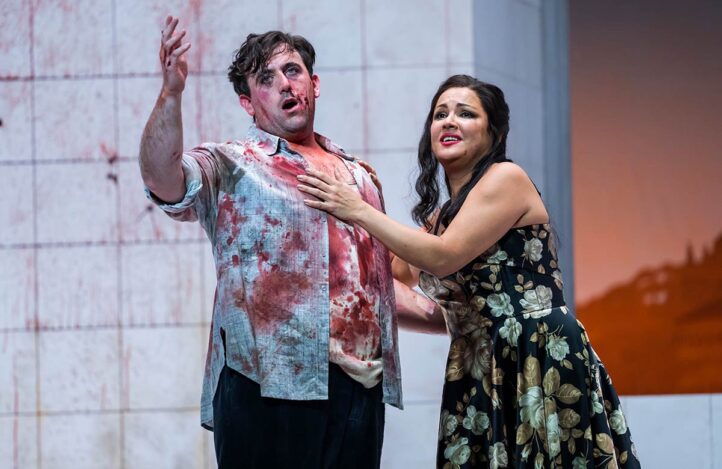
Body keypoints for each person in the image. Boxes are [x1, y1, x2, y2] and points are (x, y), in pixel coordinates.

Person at [139, 15, 439, 469]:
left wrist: (458, 321)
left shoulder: (359, 177)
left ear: (314, 84)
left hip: (358, 389)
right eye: (266, 78)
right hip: (264, 384)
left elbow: (371, 290)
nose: (284, 83)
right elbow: (161, 179)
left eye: (292, 70)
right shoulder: (231, 164)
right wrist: (171, 93)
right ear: (248, 102)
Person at [297, 74, 640, 468]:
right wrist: (360, 204)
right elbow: (390, 276)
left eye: (465, 113)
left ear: (494, 134)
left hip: (534, 353)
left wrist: (358, 210)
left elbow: (443, 257)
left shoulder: (506, 179)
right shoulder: (442, 218)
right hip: (478, 361)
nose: (449, 121)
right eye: (440, 114)